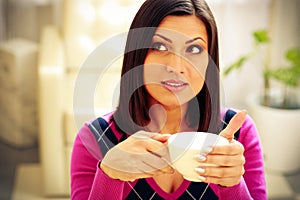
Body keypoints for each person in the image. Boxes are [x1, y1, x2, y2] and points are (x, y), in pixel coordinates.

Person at [70, 0, 267, 199]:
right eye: (160, 46)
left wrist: (232, 183)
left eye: (194, 49)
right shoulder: (95, 138)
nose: (176, 66)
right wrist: (110, 175)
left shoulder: (239, 135)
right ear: (138, 54)